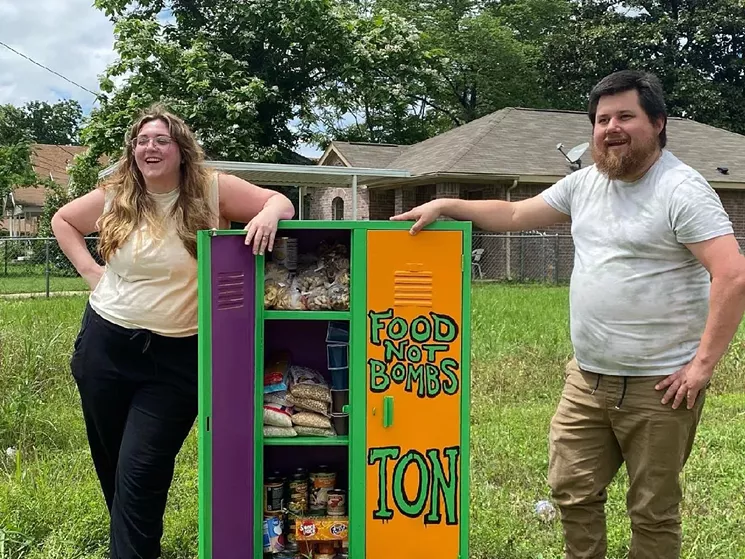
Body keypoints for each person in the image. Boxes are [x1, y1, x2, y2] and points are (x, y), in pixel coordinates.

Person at [391, 70, 745, 558]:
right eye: (602, 120)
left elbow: (733, 275)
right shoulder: (585, 184)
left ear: (658, 122)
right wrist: (447, 204)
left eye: (625, 116)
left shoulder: (681, 190)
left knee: (652, 511)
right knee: (572, 492)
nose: (610, 128)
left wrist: (702, 366)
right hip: (588, 380)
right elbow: (516, 215)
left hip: (658, 387)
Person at [52, 104, 294, 559]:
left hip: (177, 358)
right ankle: (132, 545)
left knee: (142, 470)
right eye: (142, 141)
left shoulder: (210, 189)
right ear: (133, 151)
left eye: (161, 140)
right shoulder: (117, 193)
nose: (150, 147)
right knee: (114, 469)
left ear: (181, 149)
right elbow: (62, 220)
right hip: (106, 346)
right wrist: (90, 270)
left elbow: (277, 200)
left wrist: (268, 215)